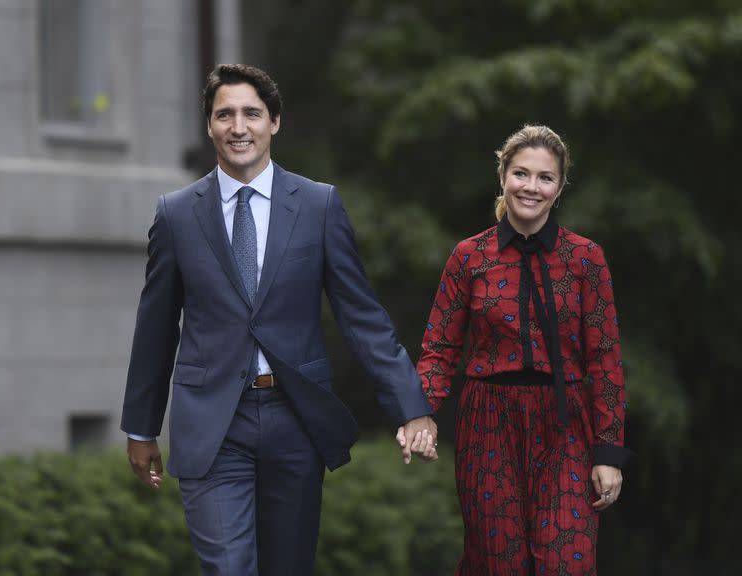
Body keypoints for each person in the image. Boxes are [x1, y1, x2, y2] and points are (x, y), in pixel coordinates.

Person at [121, 63, 437, 576]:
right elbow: (155, 327)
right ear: (209, 125)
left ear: (275, 122)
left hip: (295, 418)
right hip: (212, 423)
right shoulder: (177, 214)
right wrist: (141, 426)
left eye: (252, 113)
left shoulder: (318, 205)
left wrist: (411, 405)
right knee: (229, 568)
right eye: (225, 114)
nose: (238, 126)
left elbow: (362, 317)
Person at [408, 125, 630, 575]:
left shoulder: (586, 259)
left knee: (567, 562)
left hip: (565, 425)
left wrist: (609, 453)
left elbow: (605, 361)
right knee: (499, 564)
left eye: (545, 177)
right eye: (521, 174)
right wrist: (420, 411)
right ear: (503, 177)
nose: (531, 187)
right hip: (489, 423)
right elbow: (439, 347)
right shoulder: (469, 256)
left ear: (559, 187)